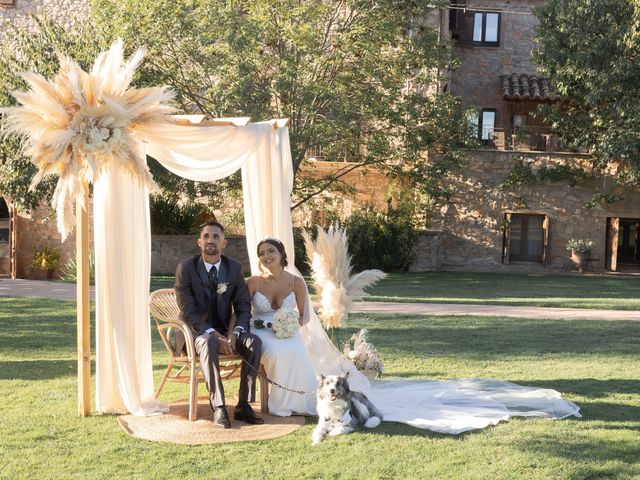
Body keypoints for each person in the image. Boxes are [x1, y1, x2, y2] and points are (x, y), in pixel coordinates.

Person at [174, 220, 264, 428]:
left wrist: (235, 334)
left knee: (254, 342)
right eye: (206, 236)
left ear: (224, 243)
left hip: (227, 332)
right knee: (208, 343)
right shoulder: (186, 268)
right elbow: (188, 312)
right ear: (199, 242)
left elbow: (243, 307)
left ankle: (243, 404)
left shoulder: (234, 268)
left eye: (216, 236)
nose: (210, 240)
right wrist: (215, 334)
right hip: (195, 334)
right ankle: (219, 407)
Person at [246, 237, 317, 416]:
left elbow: (305, 316)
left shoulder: (296, 282)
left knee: (298, 351)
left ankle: (302, 401)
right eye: (262, 253)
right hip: (259, 329)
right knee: (276, 352)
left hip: (287, 330)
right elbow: (242, 312)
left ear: (281, 254)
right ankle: (280, 404)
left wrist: (290, 326)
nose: (266, 256)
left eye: (271, 251)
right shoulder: (253, 282)